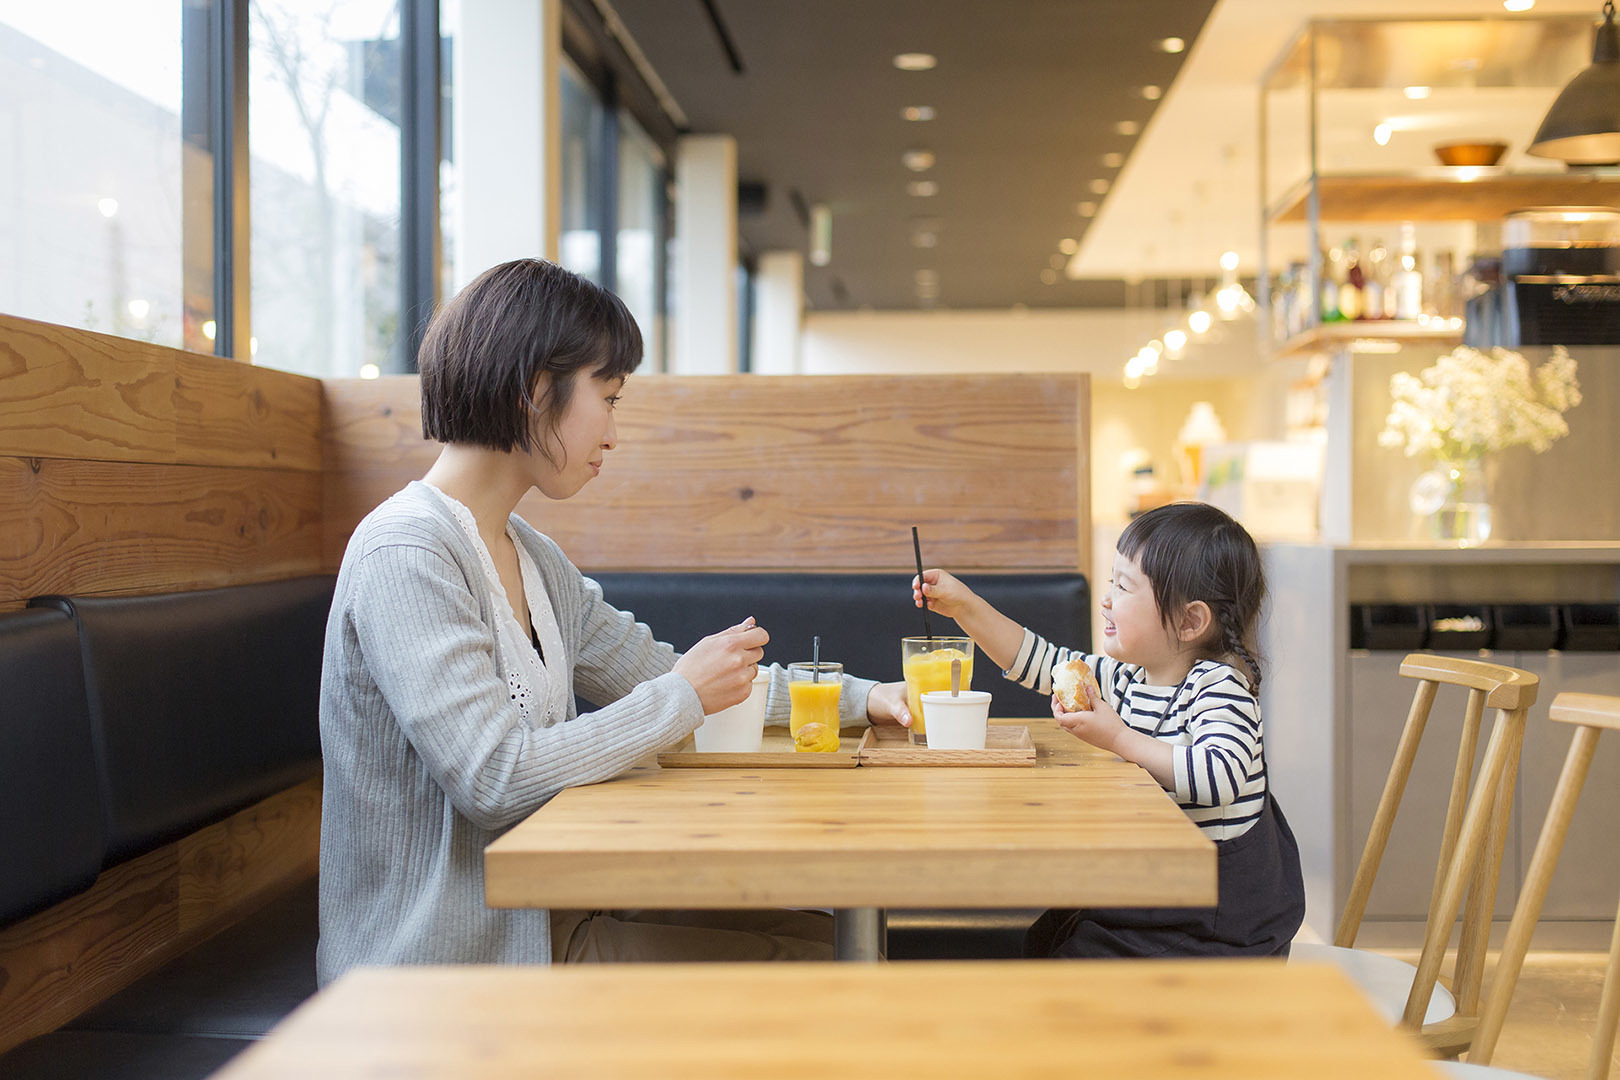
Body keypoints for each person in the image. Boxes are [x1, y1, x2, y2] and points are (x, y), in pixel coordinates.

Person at [317, 258, 912, 984]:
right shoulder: (406, 553)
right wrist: (681, 696)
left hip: (553, 915)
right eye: (609, 396)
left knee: (837, 942)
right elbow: (493, 776)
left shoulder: (529, 555)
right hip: (449, 969)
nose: (614, 432)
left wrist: (862, 697)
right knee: (831, 975)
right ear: (537, 390)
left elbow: (670, 675)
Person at [911, 501, 1305, 959]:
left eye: (1123, 586)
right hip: (1156, 895)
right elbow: (1035, 660)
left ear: (1190, 620)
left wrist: (1118, 738)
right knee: (1044, 937)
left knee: (1073, 960)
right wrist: (966, 607)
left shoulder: (1219, 688)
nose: (1106, 598)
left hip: (1217, 925)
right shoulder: (1128, 677)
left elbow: (1218, 777)